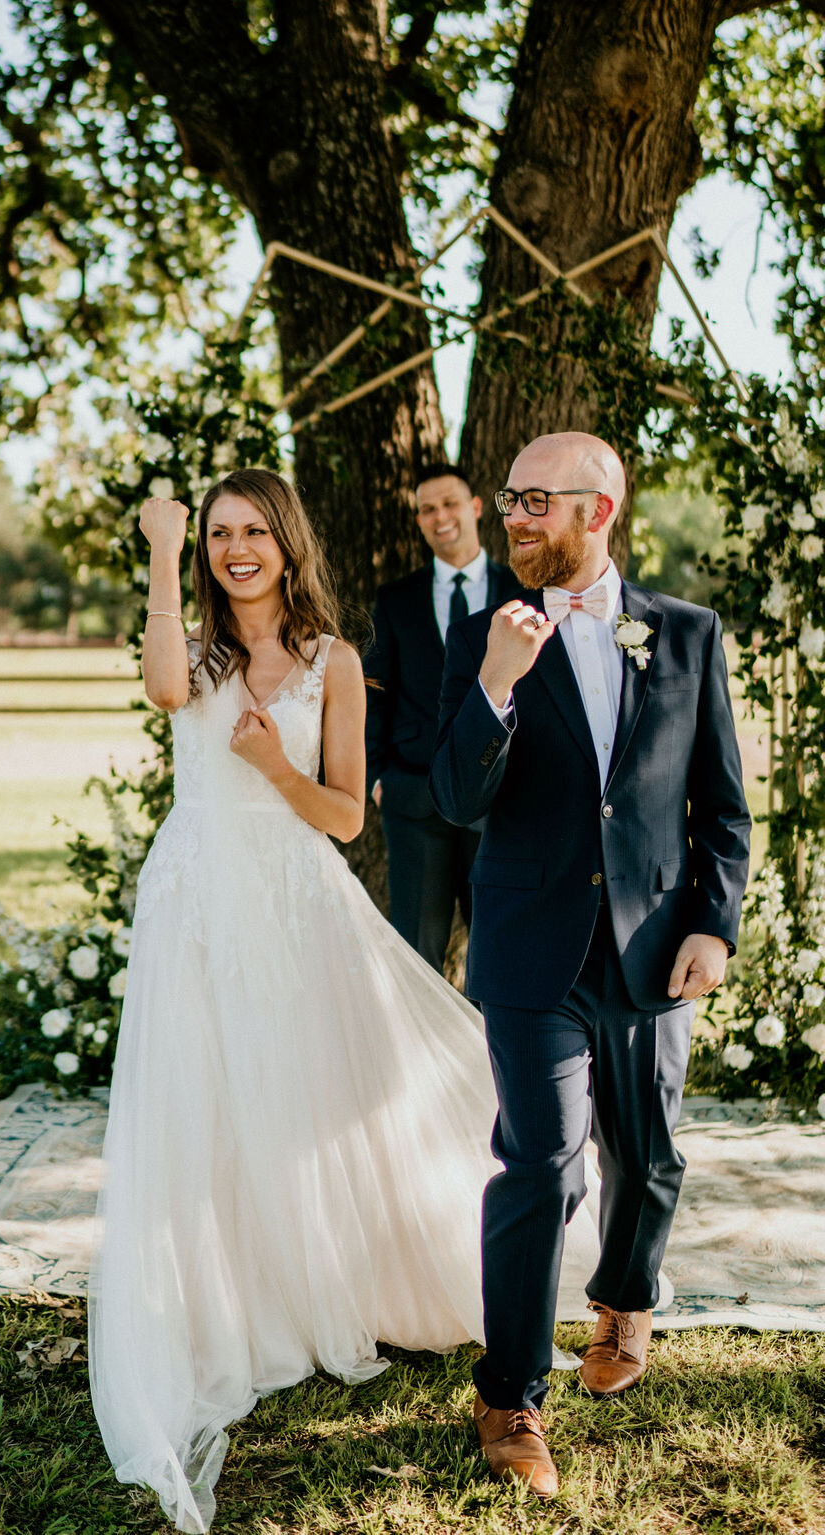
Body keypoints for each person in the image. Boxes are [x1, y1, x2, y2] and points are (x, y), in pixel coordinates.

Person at [88, 467, 600, 1532]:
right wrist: (161, 550)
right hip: (198, 898)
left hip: (297, 896)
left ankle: (335, 1280)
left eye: (252, 532)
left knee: (309, 1096)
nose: (238, 550)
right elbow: (163, 688)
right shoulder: (199, 647)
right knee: (210, 1097)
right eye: (221, 534)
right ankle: (233, 1302)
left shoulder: (336, 660)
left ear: (287, 544)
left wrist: (276, 764)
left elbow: (342, 817)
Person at [430, 432, 751, 1499]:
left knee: (648, 1153)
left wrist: (714, 922)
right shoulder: (482, 633)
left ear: (596, 509)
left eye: (532, 500)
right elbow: (454, 799)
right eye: (508, 499)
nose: (512, 517)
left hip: (658, 948)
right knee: (544, 1164)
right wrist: (495, 688)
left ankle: (626, 1293)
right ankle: (511, 1391)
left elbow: (721, 807)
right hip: (533, 952)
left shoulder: (687, 634)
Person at [363, 464, 517, 970]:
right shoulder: (395, 598)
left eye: (449, 503)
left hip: (502, 803)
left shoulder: (519, 591)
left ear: (475, 508)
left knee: (500, 956)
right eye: (427, 509)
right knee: (416, 959)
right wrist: (377, 776)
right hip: (413, 797)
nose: (439, 516)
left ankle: (490, 1053)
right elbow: (375, 692)